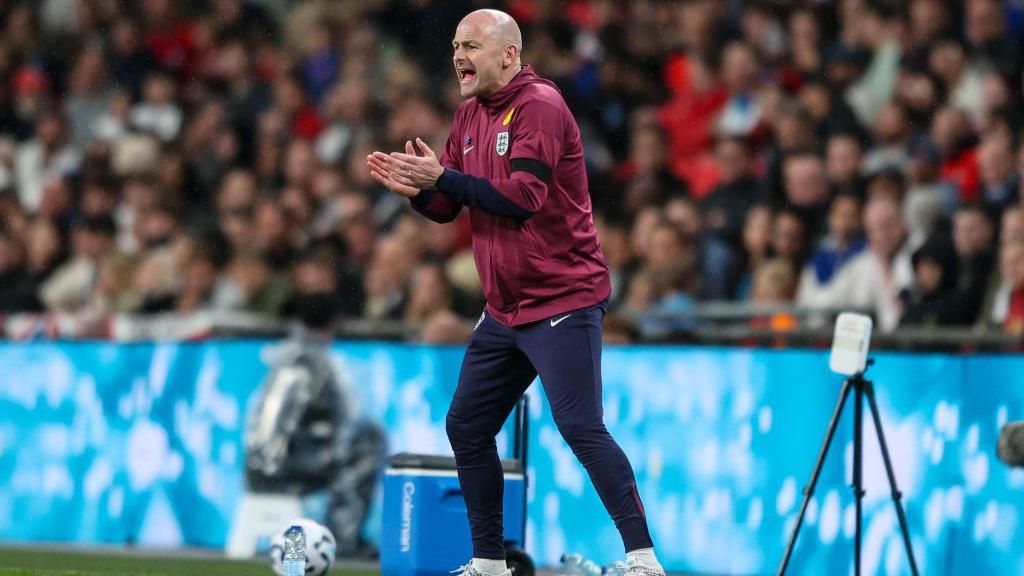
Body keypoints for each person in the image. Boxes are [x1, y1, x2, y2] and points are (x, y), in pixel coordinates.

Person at [366, 9, 663, 576]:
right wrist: (416, 190)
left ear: (509, 54)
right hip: (505, 308)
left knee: (579, 425)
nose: (458, 55)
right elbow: (450, 205)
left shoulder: (540, 108)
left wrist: (443, 180)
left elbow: (522, 197)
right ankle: (489, 563)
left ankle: (644, 559)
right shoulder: (468, 116)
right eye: (455, 44)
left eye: (471, 45)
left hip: (563, 298)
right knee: (467, 426)